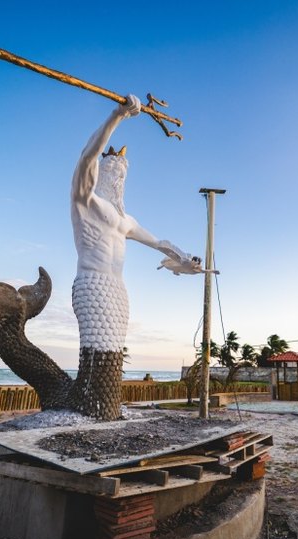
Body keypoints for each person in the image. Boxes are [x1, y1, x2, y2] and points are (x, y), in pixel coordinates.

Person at [67, 94, 199, 419]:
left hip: (118, 290)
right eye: (113, 169)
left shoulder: (126, 220)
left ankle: (105, 408)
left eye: (122, 173)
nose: (118, 177)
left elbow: (159, 243)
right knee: (98, 351)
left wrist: (185, 260)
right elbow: (86, 157)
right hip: (92, 283)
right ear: (103, 171)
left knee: (112, 353)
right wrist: (118, 115)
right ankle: (92, 409)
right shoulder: (86, 201)